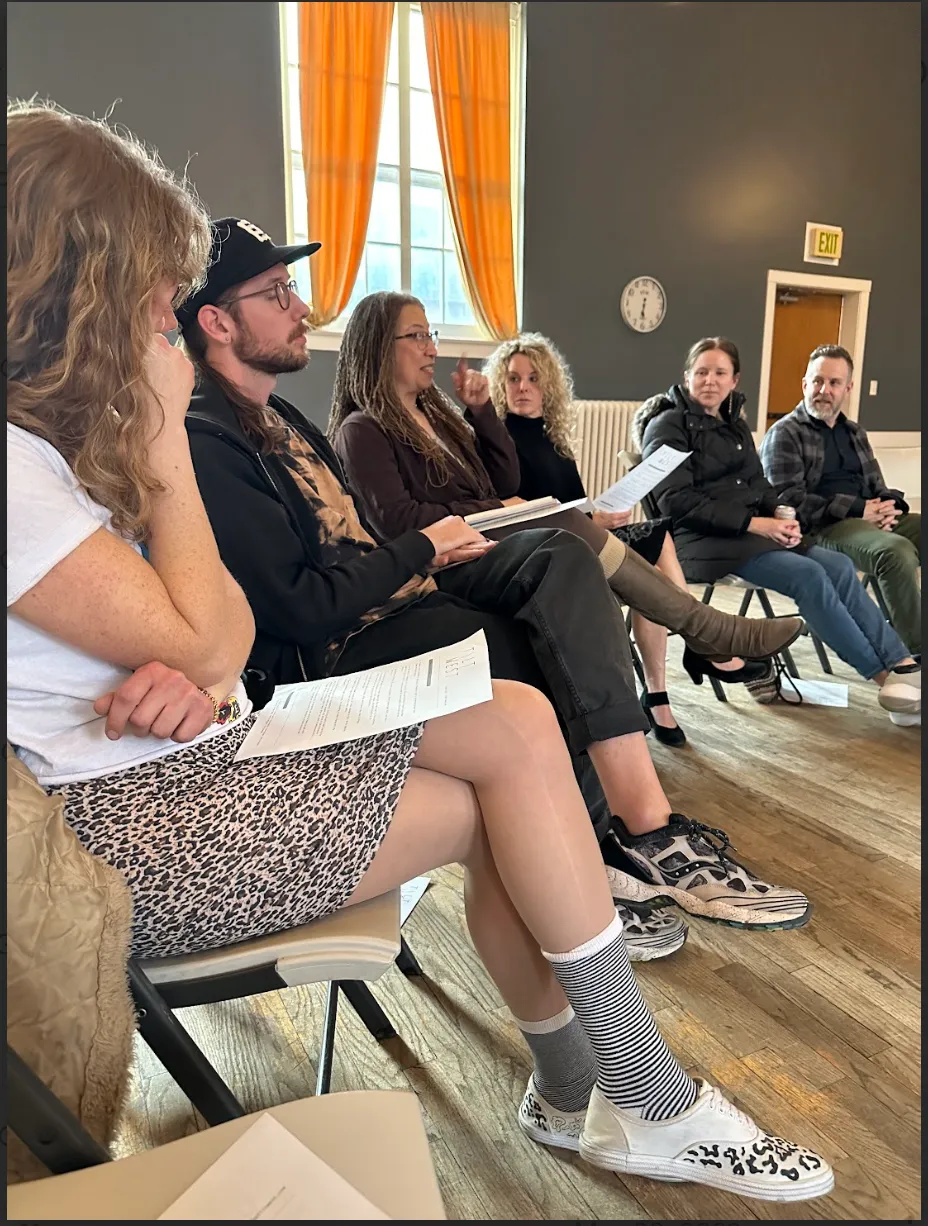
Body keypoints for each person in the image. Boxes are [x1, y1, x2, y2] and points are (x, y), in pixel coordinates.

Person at [5, 103, 835, 1201]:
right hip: (117, 832)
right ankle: (629, 1092)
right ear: (82, 285)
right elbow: (226, 628)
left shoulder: (58, 448)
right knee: (517, 772)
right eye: (158, 293)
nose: (168, 317)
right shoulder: (41, 460)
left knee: (520, 721)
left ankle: (602, 1088)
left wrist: (194, 657)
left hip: (181, 755)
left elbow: (225, 636)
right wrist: (165, 455)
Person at [174, 230, 811, 939]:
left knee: (565, 569)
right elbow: (300, 607)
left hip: (401, 599)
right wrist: (423, 544)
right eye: (276, 293)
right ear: (216, 320)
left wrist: (457, 473)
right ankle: (608, 843)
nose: (301, 307)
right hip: (339, 650)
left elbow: (458, 497)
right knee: (538, 630)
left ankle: (634, 829)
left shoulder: (279, 417)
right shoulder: (210, 438)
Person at [483, 332, 765, 748]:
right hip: (544, 550)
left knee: (657, 536)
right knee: (653, 551)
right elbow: (517, 508)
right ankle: (698, 646)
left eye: (533, 378)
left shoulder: (551, 435)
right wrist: (592, 517)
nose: (523, 387)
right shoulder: (497, 436)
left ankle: (661, 690)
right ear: (500, 385)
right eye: (513, 379)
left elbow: (571, 502)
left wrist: (602, 513)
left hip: (578, 533)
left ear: (549, 386)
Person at [633, 338, 920, 723]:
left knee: (834, 565)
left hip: (748, 533)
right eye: (701, 372)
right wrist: (757, 524)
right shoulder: (667, 425)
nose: (710, 381)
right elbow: (675, 502)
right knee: (810, 575)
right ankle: (884, 678)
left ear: (735, 380)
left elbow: (760, 486)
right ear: (687, 377)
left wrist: (782, 517)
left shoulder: (733, 424)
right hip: (698, 540)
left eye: (720, 373)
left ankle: (902, 662)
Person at [760, 345, 921, 663]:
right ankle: (914, 655)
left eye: (834, 383)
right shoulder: (785, 434)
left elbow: (879, 486)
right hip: (822, 529)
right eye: (817, 381)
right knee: (894, 552)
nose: (824, 390)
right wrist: (860, 510)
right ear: (805, 384)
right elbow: (788, 501)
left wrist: (889, 507)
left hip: (868, 521)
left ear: (847, 388)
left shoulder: (854, 432)